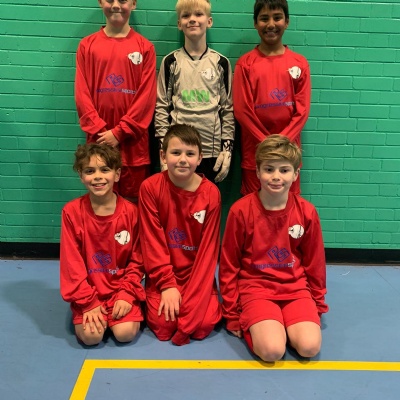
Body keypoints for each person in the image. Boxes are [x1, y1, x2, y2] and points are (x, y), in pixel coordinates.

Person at [219, 134, 328, 362]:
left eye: (284, 170)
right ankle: (265, 328)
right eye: (269, 169)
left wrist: (317, 303)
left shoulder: (307, 212)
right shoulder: (241, 211)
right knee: (272, 351)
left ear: (295, 174)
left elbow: (315, 263)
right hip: (256, 289)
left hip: (295, 289)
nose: (276, 176)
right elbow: (229, 265)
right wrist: (231, 313)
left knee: (309, 348)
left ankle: (284, 326)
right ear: (258, 172)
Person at [139, 124, 222, 346]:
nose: (183, 160)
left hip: (197, 275)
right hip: (164, 274)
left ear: (200, 158)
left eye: (190, 154)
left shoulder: (211, 194)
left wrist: (194, 296)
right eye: (176, 152)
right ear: (163, 156)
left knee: (202, 326)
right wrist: (167, 285)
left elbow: (208, 252)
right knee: (164, 326)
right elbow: (152, 242)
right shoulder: (150, 188)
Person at [60, 143, 145, 346]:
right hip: (89, 290)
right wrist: (88, 302)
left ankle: (123, 306)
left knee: (125, 333)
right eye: (90, 171)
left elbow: (138, 260)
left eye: (105, 169)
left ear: (117, 174)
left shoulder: (132, 213)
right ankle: (87, 307)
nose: (97, 176)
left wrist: (126, 293)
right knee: (91, 337)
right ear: (81, 176)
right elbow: (71, 264)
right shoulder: (71, 212)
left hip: (120, 290)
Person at [75, 0, 157, 202]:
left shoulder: (145, 47)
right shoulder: (87, 46)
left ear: (134, 4)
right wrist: (101, 131)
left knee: (132, 206)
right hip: (99, 141)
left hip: (133, 147)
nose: (116, 5)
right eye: (110, 0)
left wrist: (119, 133)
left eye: (122, 0)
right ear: (100, 2)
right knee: (101, 202)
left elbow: (146, 99)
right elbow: (82, 95)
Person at [234, 0, 311, 196]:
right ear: (255, 23)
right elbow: (243, 112)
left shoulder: (299, 63)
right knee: (253, 208)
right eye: (264, 18)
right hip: (255, 153)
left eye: (277, 18)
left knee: (288, 207)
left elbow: (302, 112)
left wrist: (282, 142)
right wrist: (266, 143)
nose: (270, 24)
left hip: (288, 154)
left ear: (287, 21)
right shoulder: (245, 64)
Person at [155, 0, 234, 183]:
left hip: (211, 151)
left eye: (198, 14)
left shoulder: (221, 63)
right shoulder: (171, 62)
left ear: (209, 21)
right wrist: (163, 149)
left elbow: (228, 110)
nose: (192, 19)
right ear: (179, 24)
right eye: (186, 15)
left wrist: (227, 149)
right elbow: (161, 108)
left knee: (205, 199)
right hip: (178, 151)